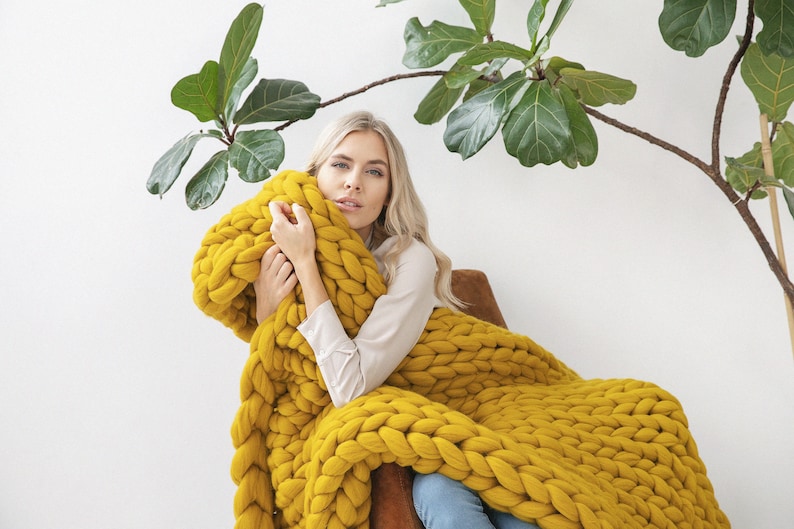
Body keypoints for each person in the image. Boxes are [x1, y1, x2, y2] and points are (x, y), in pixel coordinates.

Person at [253, 110, 540, 529]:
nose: (354, 182)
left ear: (388, 193)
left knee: (510, 504)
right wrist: (265, 311)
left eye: (374, 172)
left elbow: (348, 387)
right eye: (341, 164)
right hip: (382, 436)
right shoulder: (280, 242)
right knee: (441, 491)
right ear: (316, 175)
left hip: (457, 413)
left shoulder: (410, 259)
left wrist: (305, 265)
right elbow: (284, 377)